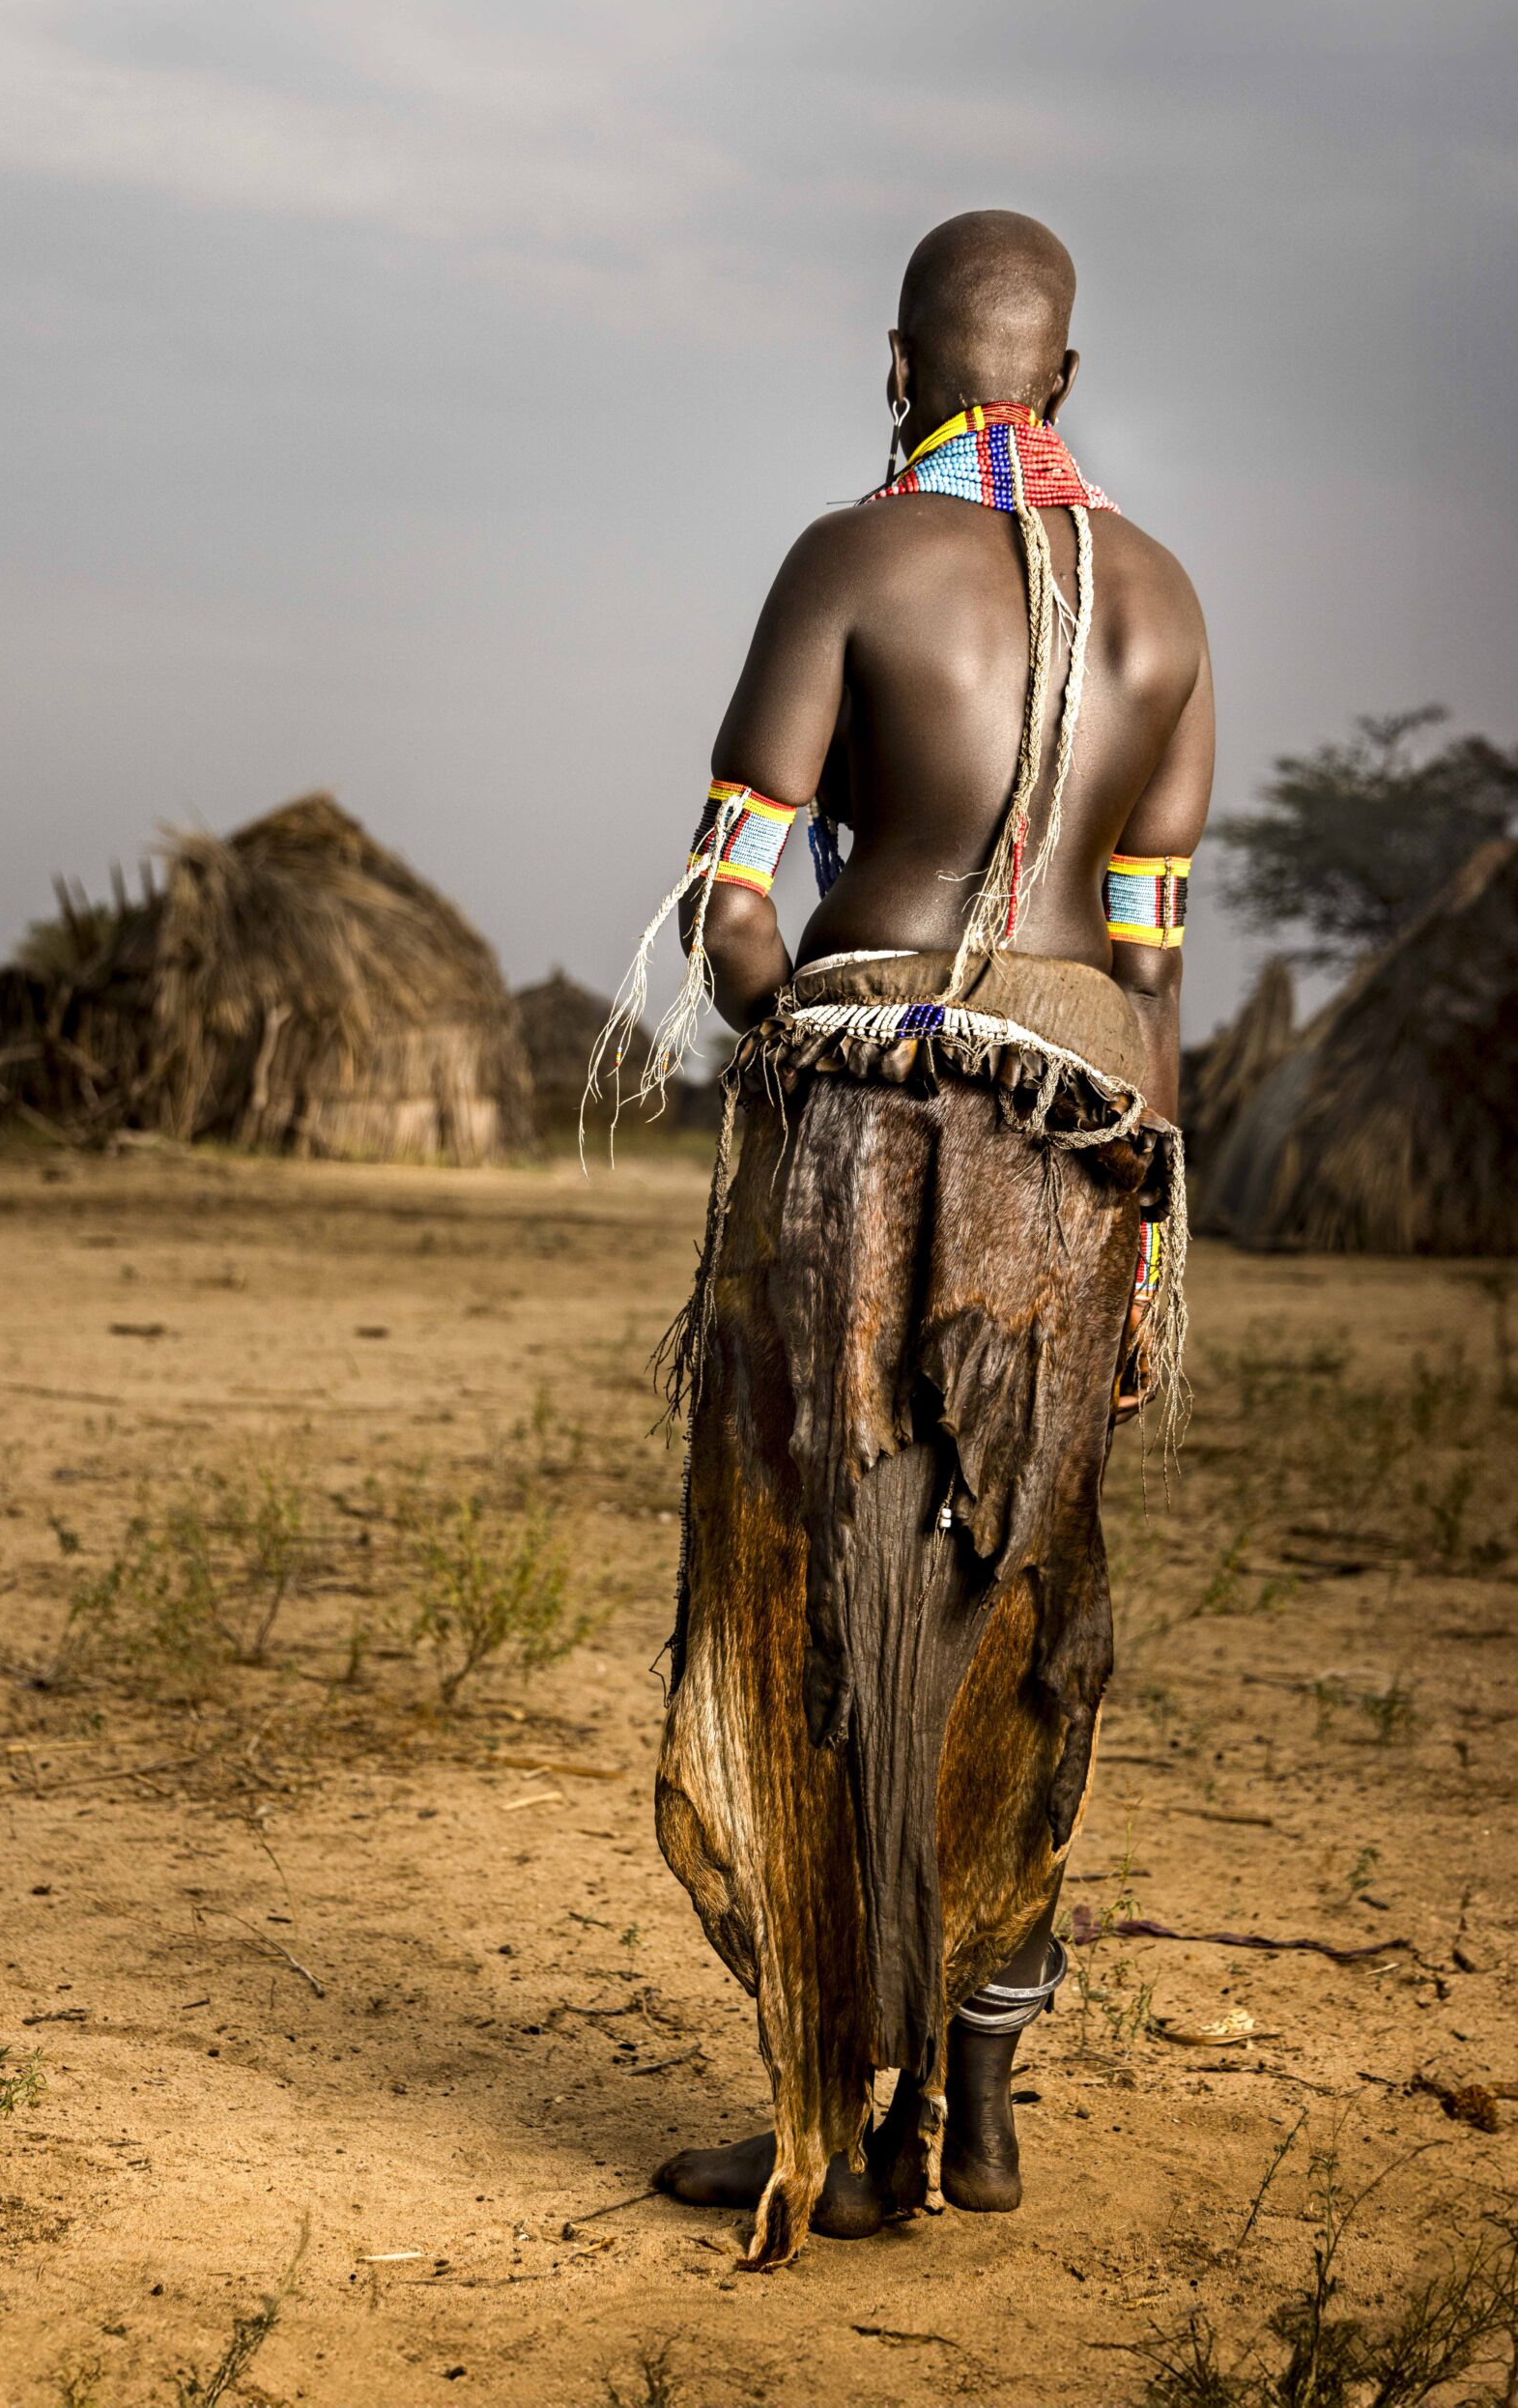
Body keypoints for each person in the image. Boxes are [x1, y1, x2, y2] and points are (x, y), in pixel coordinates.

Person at [588, 209, 1213, 2268]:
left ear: (896, 366)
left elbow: (733, 901)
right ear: (1063, 379)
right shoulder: (1165, 602)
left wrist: (801, 1044)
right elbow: (1150, 958)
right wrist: (1138, 1214)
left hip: (864, 1114)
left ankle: (838, 2125)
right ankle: (980, 2098)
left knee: (824, 1579)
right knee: (1018, 1584)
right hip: (1083, 1130)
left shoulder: (850, 561)